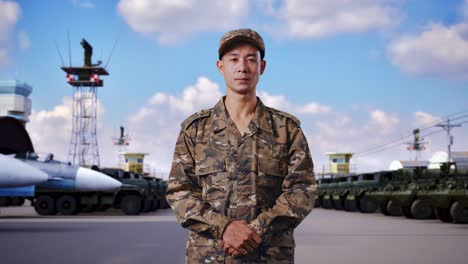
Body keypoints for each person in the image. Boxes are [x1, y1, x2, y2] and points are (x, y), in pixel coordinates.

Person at [166, 28, 317, 264]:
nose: (242, 67)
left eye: (250, 60)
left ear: (262, 67)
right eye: (234, 59)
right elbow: (180, 191)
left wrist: (257, 229)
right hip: (210, 256)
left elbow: (302, 190)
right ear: (220, 66)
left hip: (269, 255)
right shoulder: (195, 130)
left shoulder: (286, 129)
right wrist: (223, 228)